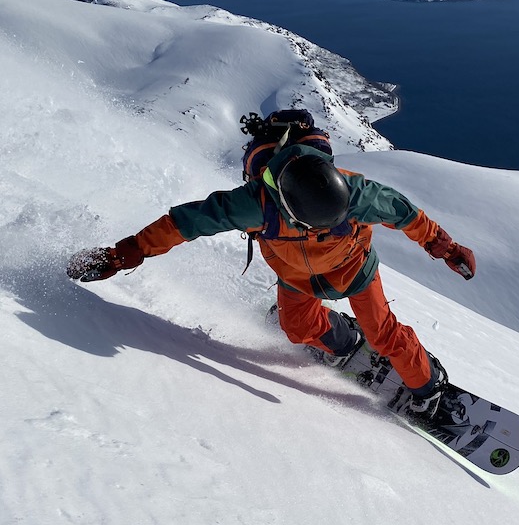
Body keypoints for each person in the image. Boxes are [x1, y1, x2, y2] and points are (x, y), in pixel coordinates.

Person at [66, 141, 477, 416]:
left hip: (354, 270)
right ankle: (342, 339)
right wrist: (125, 254)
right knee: (296, 330)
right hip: (296, 277)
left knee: (385, 335)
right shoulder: (255, 206)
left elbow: (408, 215)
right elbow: (184, 222)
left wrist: (447, 249)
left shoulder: (358, 194)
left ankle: (428, 386)